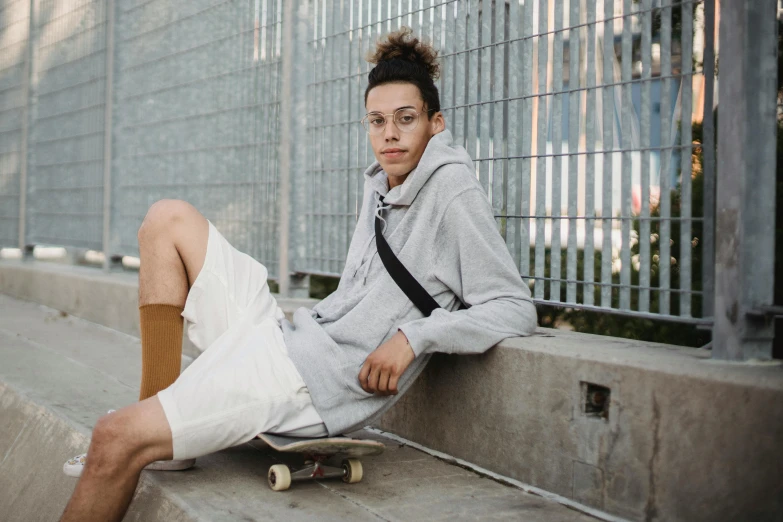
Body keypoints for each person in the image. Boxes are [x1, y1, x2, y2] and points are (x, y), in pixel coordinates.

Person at [59, 27, 538, 521]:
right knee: (166, 219)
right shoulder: (381, 184)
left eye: (405, 119)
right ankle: (164, 431)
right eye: (377, 122)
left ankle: (146, 434)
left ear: (436, 124)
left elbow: (513, 307)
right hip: (291, 337)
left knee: (112, 438)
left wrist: (414, 336)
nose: (389, 134)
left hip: (308, 381)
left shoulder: (452, 190)